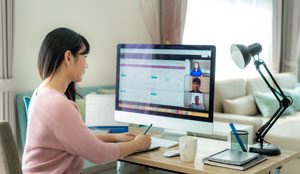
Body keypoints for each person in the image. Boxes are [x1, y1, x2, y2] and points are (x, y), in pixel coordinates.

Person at [22, 28, 151, 174]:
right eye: (85, 57)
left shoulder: (41, 92)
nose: (86, 64)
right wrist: (139, 144)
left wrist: (114, 137)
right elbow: (100, 155)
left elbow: (78, 137)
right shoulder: (57, 104)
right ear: (68, 57)